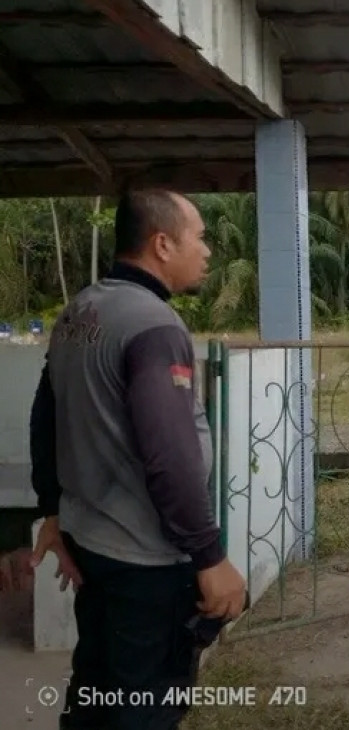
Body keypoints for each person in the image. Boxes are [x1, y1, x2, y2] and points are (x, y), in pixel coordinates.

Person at [29, 189, 248, 729]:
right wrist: (209, 556)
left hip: (93, 545)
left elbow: (45, 417)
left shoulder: (80, 311)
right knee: (143, 708)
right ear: (162, 244)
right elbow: (169, 455)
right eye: (199, 236)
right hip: (145, 562)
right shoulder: (154, 326)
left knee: (94, 693)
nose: (208, 250)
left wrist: (53, 511)